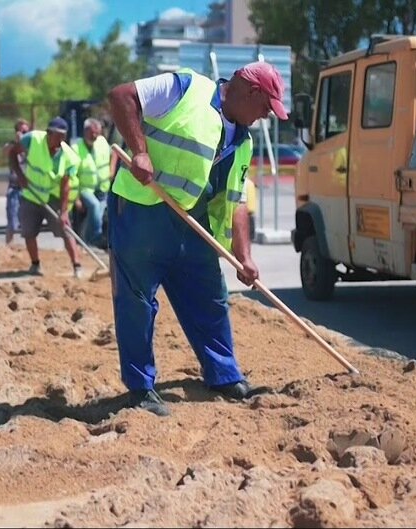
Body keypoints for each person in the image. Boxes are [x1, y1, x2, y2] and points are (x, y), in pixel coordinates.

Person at [107, 62, 288, 416]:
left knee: (210, 297)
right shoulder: (186, 88)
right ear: (251, 92)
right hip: (144, 210)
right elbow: (121, 96)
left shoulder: (243, 142)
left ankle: (223, 374)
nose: (265, 116)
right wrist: (140, 151)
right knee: (137, 302)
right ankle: (141, 388)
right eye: (266, 107)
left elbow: (236, 200)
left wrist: (244, 256)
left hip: (193, 222)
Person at [8, 117, 83, 278]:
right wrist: (20, 175)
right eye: (58, 136)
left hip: (52, 197)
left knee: (66, 230)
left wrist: (64, 212)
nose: (61, 140)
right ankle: (35, 264)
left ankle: (77, 266)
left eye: (64, 136)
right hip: (31, 195)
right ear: (49, 133)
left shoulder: (69, 156)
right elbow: (12, 153)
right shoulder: (32, 139)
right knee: (29, 231)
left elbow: (65, 186)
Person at [71, 117, 113, 248]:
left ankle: (86, 239)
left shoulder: (102, 142)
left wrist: (112, 170)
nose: (95, 136)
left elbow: (115, 153)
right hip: (85, 189)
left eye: (97, 133)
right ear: (85, 131)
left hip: (103, 187)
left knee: (99, 213)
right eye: (92, 133)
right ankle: (95, 238)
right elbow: (72, 174)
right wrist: (76, 198)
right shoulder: (76, 148)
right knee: (94, 206)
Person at [4, 118, 30, 244]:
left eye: (26, 132)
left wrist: (24, 144)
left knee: (28, 224)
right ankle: (8, 246)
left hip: (28, 189)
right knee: (12, 224)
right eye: (21, 132)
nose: (24, 134)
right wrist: (17, 143)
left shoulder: (31, 146)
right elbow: (5, 151)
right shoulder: (11, 146)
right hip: (15, 188)